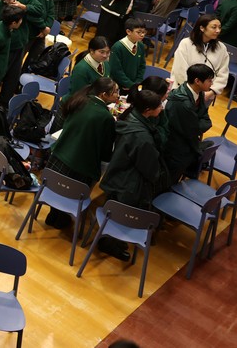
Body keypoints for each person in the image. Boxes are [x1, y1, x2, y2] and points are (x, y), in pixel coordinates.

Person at [98, 90, 171, 259]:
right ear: (148, 110)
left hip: (119, 173)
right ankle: (110, 244)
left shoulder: (131, 117)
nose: (162, 108)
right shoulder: (141, 137)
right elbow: (149, 168)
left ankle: (111, 240)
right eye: (159, 106)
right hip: (128, 183)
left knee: (115, 211)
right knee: (120, 216)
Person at [44, 77, 120, 227]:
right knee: (70, 193)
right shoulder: (105, 117)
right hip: (79, 167)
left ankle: (54, 216)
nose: (118, 95)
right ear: (104, 94)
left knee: (57, 189)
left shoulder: (80, 100)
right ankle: (60, 219)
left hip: (58, 157)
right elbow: (106, 151)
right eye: (116, 92)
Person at [163, 63, 215, 183]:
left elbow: (205, 119)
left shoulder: (199, 92)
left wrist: (198, 123)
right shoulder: (182, 103)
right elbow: (193, 129)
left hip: (185, 139)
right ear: (197, 81)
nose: (212, 83)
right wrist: (199, 123)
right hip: (174, 145)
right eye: (209, 80)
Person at [170, 14, 229, 99]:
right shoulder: (186, 43)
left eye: (219, 27)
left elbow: (223, 73)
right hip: (184, 92)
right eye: (214, 27)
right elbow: (180, 71)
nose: (218, 30)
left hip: (207, 95)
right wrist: (194, 92)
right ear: (202, 28)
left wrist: (212, 91)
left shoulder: (221, 48)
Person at [109, 18, 147, 94]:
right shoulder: (118, 47)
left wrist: (137, 82)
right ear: (128, 32)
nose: (142, 35)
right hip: (119, 86)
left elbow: (142, 65)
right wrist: (130, 85)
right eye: (138, 32)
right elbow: (116, 70)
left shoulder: (141, 45)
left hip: (134, 85)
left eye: (144, 32)